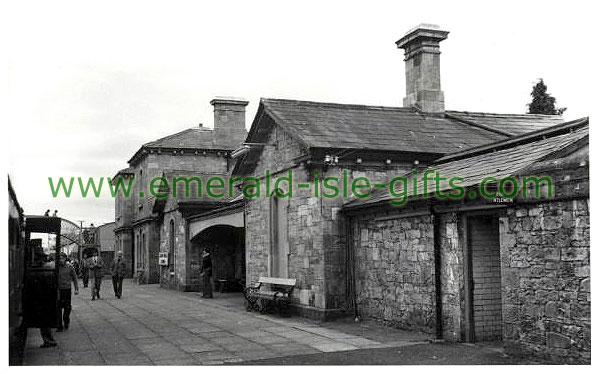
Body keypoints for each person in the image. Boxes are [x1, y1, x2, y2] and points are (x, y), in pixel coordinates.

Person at [57, 253, 79, 331]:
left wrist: (76, 289)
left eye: (62, 258)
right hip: (59, 290)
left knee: (67, 307)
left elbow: (75, 278)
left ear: (65, 259)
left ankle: (66, 321)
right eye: (59, 258)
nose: (61, 260)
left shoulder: (70, 267)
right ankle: (59, 325)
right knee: (58, 307)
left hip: (67, 289)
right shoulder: (56, 267)